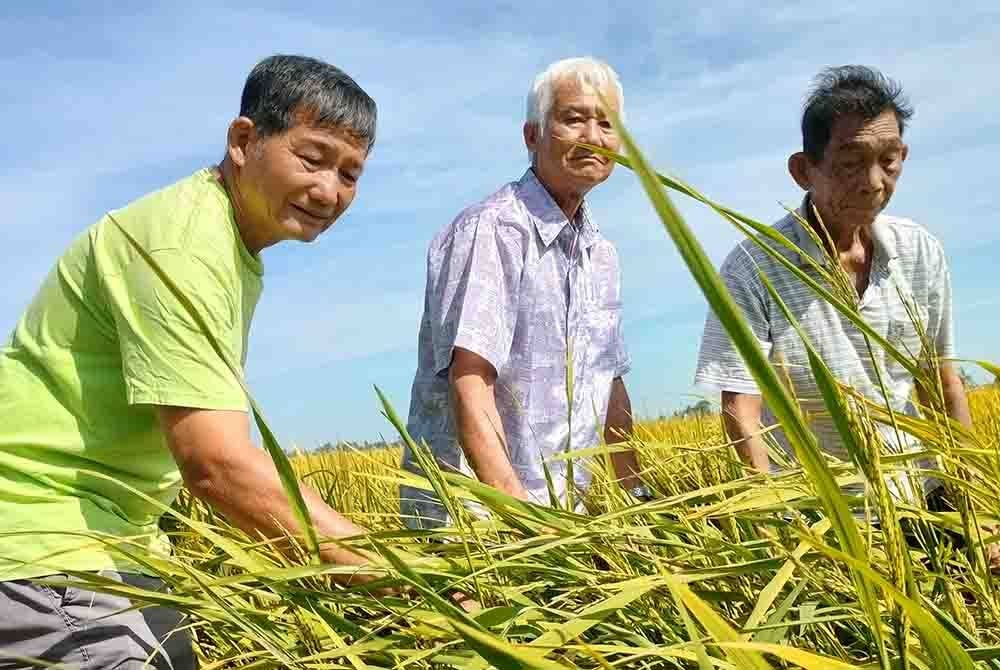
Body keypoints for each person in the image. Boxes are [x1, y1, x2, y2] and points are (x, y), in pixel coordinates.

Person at [0, 54, 380, 668]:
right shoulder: (183, 245)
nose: (328, 190)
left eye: (350, 173)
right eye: (312, 158)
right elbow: (218, 466)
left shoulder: (227, 244)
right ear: (244, 139)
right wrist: (403, 576)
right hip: (43, 541)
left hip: (121, 541)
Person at [694, 65, 970, 503]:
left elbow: (941, 383)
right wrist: (780, 523)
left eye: (888, 160)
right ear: (804, 170)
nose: (874, 183)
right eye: (851, 163)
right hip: (822, 515)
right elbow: (740, 410)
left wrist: (973, 506)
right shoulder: (753, 267)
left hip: (924, 499)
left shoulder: (920, 251)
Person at [400, 57, 647, 529]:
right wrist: (524, 523)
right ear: (532, 135)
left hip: (560, 520)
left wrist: (638, 501)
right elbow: (470, 382)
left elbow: (609, 385)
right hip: (477, 527)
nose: (593, 137)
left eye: (607, 124)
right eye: (573, 118)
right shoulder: (492, 230)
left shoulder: (602, 254)